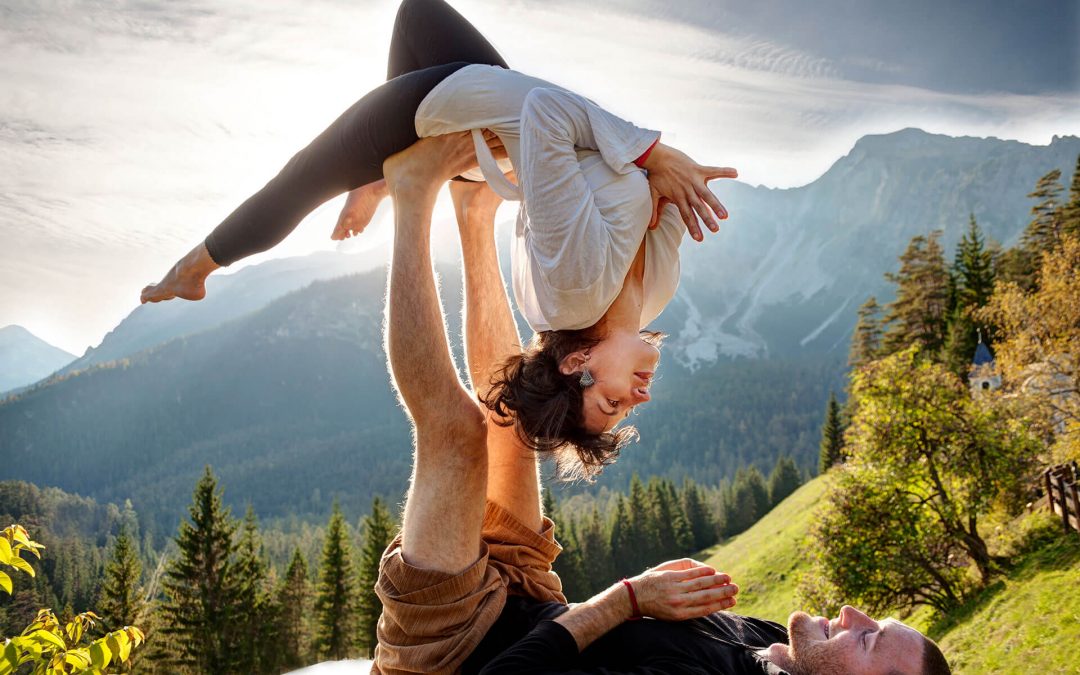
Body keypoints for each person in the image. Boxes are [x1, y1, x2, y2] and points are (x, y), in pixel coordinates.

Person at [373, 134, 950, 675]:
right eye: (873, 621)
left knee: (459, 434)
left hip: (453, 652)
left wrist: (628, 599)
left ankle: (412, 191)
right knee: (511, 422)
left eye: (868, 638)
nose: (852, 614)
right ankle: (474, 209)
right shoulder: (775, 643)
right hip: (529, 601)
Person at [139, 0, 737, 477]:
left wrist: (656, 153)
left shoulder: (576, 292)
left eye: (612, 404)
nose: (639, 399)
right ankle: (382, 173)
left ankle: (194, 270)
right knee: (418, 12)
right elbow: (657, 202)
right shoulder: (649, 299)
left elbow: (550, 117)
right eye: (624, 410)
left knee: (304, 177)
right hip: (492, 123)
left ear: (579, 361)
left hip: (443, 109)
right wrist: (658, 178)